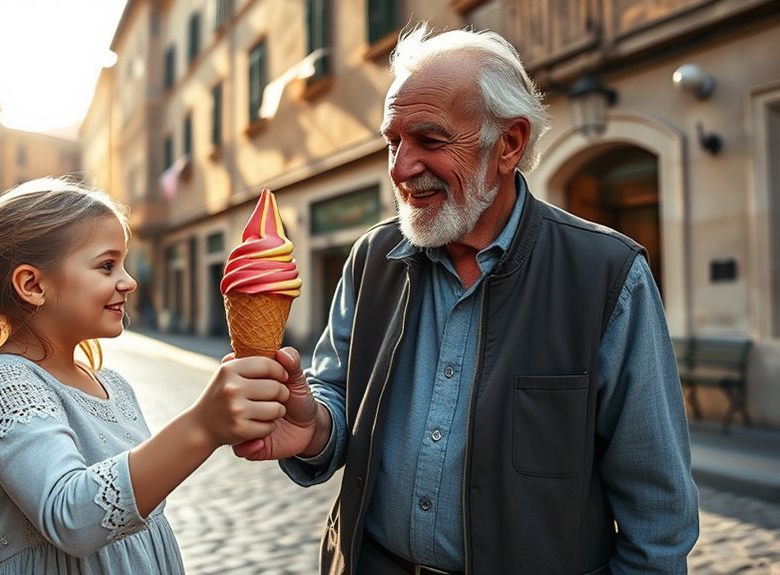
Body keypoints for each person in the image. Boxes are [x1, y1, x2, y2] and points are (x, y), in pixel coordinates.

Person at [231, 26, 700, 574]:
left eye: (429, 140)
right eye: (393, 142)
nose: (401, 169)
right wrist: (313, 426)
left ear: (508, 144)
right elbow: (337, 396)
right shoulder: (371, 258)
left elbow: (657, 514)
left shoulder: (607, 276)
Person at [0, 177, 291, 574]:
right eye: (107, 265)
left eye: (124, 263)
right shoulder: (1, 384)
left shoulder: (113, 384)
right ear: (32, 284)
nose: (129, 281)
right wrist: (203, 427)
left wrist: (228, 423)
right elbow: (72, 516)